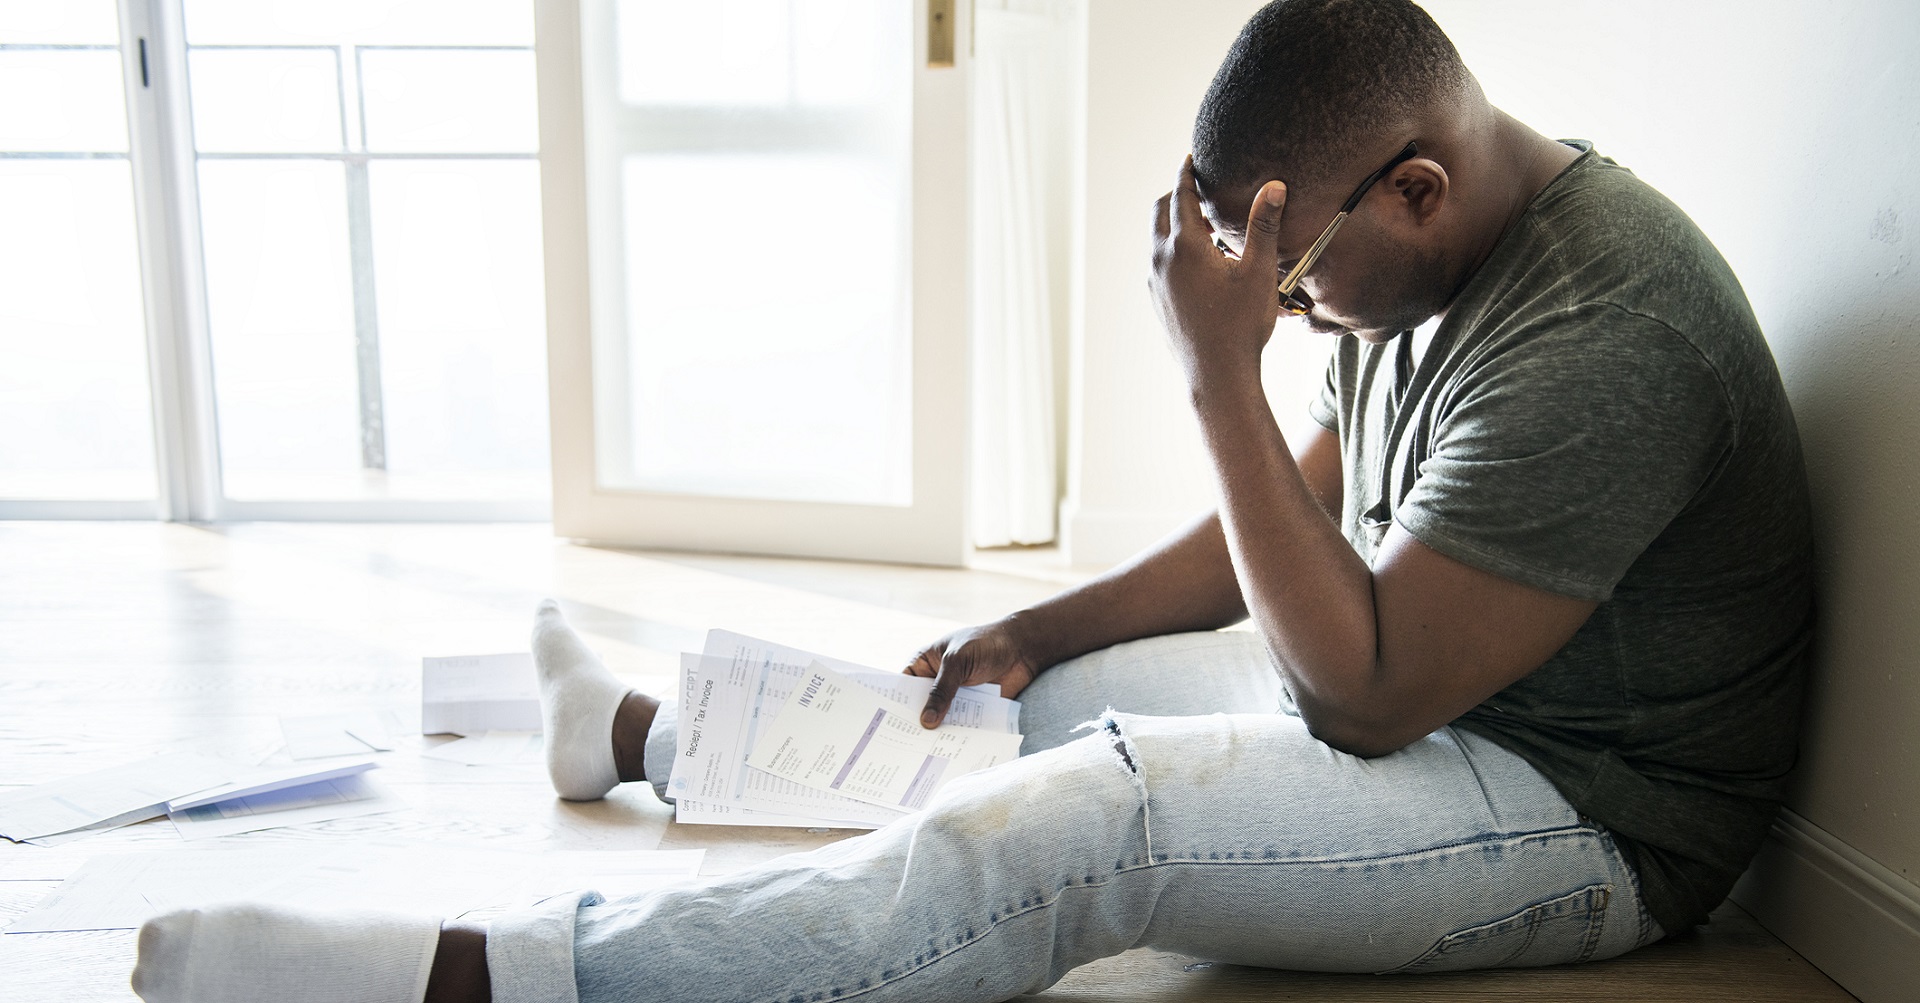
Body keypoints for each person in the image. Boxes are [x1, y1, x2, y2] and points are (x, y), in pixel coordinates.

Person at [129, 1, 1814, 1001]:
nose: (1290, 321)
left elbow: (1365, 696)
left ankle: (487, 979)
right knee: (1034, 703)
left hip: (1591, 815)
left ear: (1419, 190)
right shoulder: (1439, 267)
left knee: (1094, 817)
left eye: (1295, 289)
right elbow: (1301, 517)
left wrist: (1212, 372)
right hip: (1462, 700)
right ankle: (641, 735)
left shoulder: (1609, 331)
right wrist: (1040, 622)